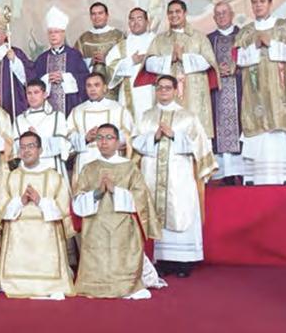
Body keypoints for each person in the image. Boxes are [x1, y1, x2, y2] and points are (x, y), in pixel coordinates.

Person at [133, 76, 217, 278]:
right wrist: (153, 137)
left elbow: (200, 144)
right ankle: (161, 260)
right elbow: (135, 142)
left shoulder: (188, 116)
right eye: (160, 88)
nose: (163, 91)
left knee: (180, 209)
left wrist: (174, 135)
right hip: (152, 173)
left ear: (175, 90)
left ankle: (184, 262)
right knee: (157, 213)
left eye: (167, 88)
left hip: (179, 175)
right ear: (155, 90)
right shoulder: (146, 116)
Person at [0, 132, 75, 299]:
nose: (26, 151)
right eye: (22, 147)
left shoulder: (54, 177)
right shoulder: (11, 177)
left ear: (40, 150)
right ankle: (16, 284)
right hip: (18, 237)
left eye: (31, 146)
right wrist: (20, 201)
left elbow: (63, 209)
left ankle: (52, 286)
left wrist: (40, 201)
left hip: (46, 237)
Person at [72, 123, 162, 299]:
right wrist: (97, 193)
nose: (103, 142)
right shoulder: (89, 168)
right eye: (99, 138)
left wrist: (116, 191)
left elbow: (141, 199)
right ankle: (95, 285)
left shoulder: (129, 167)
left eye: (109, 138)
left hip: (123, 225)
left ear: (117, 141)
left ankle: (126, 284)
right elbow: (77, 201)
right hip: (95, 225)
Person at [235, 0, 286, 185]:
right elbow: (239, 59)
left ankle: (285, 175)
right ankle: (259, 177)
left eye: (262, 1)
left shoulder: (284, 27)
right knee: (259, 130)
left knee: (279, 128)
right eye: (255, 2)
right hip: (255, 93)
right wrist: (255, 46)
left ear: (270, 3)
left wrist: (271, 44)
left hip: (279, 90)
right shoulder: (246, 31)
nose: (258, 5)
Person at [144, 0, 218, 138]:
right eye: (170, 12)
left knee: (195, 135)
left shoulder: (199, 37)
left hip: (194, 94)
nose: (174, 15)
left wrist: (183, 57)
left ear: (185, 13)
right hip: (168, 93)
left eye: (177, 11)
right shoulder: (160, 39)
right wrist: (169, 59)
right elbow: (148, 63)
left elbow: (208, 62)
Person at [67, 72, 134, 183]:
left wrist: (108, 139)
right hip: (86, 158)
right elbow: (68, 138)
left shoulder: (118, 109)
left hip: (111, 158)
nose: (92, 89)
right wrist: (85, 138)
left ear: (105, 88)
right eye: (89, 86)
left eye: (96, 85)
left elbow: (128, 136)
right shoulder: (77, 111)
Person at [207, 1, 243, 183]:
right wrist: (215, 69)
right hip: (218, 94)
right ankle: (224, 175)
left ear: (232, 14)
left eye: (224, 12)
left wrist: (236, 66)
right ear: (214, 18)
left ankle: (241, 173)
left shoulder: (243, 36)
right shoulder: (209, 39)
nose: (221, 16)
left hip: (240, 89)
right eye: (218, 14)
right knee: (218, 127)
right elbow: (204, 64)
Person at [34, 6, 89, 117]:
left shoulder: (74, 55)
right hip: (47, 108)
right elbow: (34, 81)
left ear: (63, 34)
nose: (53, 35)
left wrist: (65, 78)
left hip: (70, 104)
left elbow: (84, 78)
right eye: (50, 32)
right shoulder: (42, 59)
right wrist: (46, 79)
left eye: (56, 32)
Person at [105, 7, 157, 124]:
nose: (135, 22)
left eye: (139, 19)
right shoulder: (122, 46)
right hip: (129, 94)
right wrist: (131, 61)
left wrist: (148, 61)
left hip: (153, 91)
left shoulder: (156, 41)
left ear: (147, 21)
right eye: (132, 19)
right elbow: (109, 67)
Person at [13, 79, 71, 178]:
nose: (32, 97)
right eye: (29, 93)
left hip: (51, 168)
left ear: (45, 94)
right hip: (27, 170)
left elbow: (63, 146)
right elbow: (16, 149)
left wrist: (36, 139)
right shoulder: (19, 119)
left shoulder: (57, 117)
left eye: (36, 92)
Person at [74, 2, 125, 80]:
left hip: (113, 82)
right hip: (90, 82)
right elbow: (75, 62)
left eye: (100, 13)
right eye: (93, 14)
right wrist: (90, 61)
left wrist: (106, 60)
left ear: (107, 15)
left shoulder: (118, 36)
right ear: (90, 17)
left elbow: (125, 60)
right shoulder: (83, 39)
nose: (97, 17)